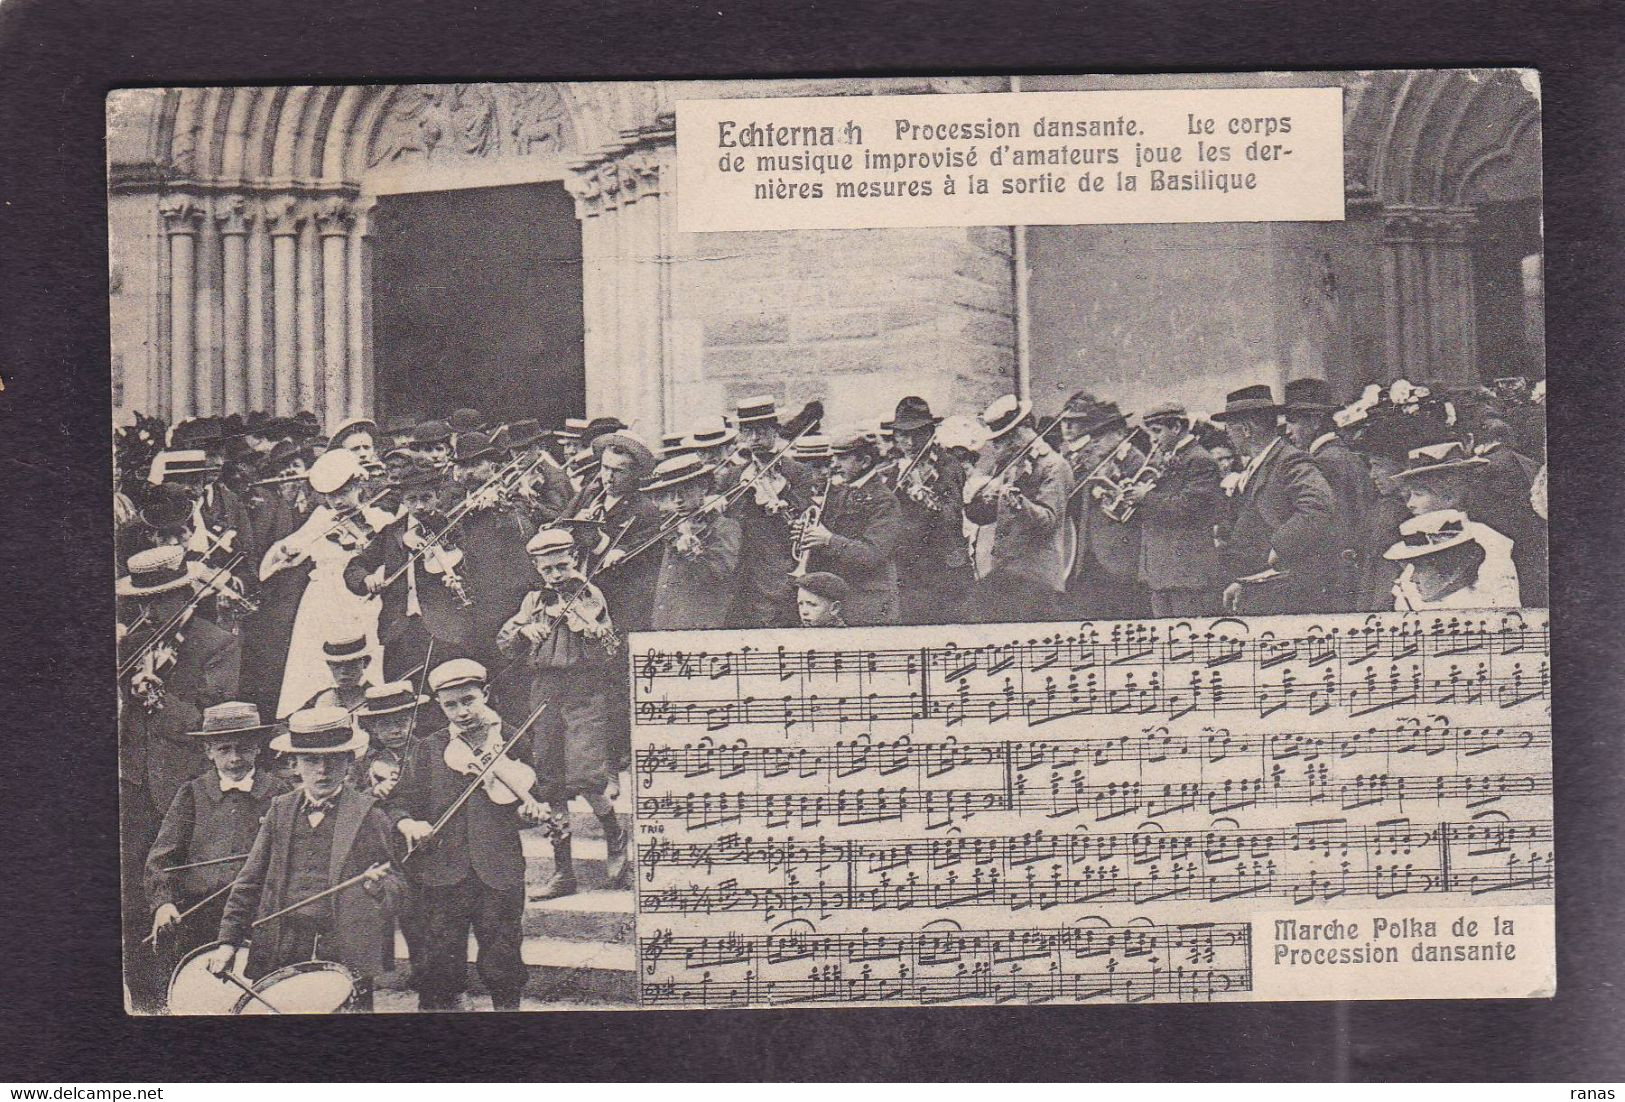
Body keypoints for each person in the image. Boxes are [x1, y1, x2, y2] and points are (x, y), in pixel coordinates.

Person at [203, 706, 405, 1012]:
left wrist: (378, 886)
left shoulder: (370, 814)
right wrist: (227, 943)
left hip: (344, 949)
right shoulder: (280, 810)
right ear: (294, 763)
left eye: (332, 759)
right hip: (283, 947)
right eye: (311, 760)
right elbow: (249, 880)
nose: (322, 770)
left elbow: (397, 883)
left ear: (349, 761)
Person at [387, 660, 554, 1011]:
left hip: (498, 869)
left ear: (486, 694)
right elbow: (399, 803)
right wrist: (410, 824)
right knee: (439, 962)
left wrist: (530, 812)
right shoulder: (430, 749)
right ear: (439, 705)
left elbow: (534, 793)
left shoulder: (512, 738)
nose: (461, 712)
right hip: (442, 873)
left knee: (504, 956)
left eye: (469, 700)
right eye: (451, 705)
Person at [496, 529, 627, 900]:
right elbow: (504, 643)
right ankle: (563, 869)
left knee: (586, 776)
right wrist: (525, 632)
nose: (556, 574)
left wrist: (587, 629)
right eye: (548, 568)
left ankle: (615, 834)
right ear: (537, 568)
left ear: (574, 558)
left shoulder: (590, 594)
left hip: (583, 690)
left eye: (562, 565)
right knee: (551, 779)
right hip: (544, 690)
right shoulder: (533, 600)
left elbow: (609, 646)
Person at [141, 703, 288, 1010]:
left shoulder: (280, 794)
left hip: (262, 917)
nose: (235, 758)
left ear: (258, 748)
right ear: (208, 751)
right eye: (224, 749)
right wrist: (163, 902)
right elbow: (162, 859)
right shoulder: (192, 794)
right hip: (201, 918)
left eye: (244, 748)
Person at [260, 448, 390, 718]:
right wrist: (288, 552)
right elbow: (291, 548)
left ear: (359, 486)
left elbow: (386, 560)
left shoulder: (381, 519)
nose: (338, 501)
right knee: (317, 674)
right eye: (331, 496)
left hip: (361, 601)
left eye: (344, 492)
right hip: (323, 602)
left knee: (365, 666)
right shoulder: (321, 519)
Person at [1212, 384, 1338, 615]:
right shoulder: (1259, 463)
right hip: (1256, 583)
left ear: (1246, 429)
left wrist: (1280, 547)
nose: (1227, 436)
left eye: (1230, 428)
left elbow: (1318, 506)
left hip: (1282, 587)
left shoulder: (1289, 460)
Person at [344, 462, 474, 679]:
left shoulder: (452, 527)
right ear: (403, 501)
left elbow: (471, 567)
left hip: (444, 630)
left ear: (437, 497)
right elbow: (355, 566)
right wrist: (366, 579)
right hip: (399, 630)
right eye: (412, 500)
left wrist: (459, 580)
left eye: (426, 498)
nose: (420, 507)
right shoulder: (391, 532)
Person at [964, 394, 1075, 610]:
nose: (996, 448)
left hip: (1036, 576)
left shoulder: (1054, 466)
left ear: (1020, 433)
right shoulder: (1012, 465)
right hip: (1005, 571)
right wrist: (981, 498)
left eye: (1000, 440)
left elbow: (1049, 519)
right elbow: (980, 516)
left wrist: (1018, 503)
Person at [1282, 377, 1376, 612]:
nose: (1287, 429)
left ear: (1314, 421)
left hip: (1335, 577)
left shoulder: (1324, 461)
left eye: (1292, 421)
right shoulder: (1343, 455)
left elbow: (1333, 527)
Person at [1389, 440, 1520, 605]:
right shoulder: (1413, 541)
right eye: (1409, 496)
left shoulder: (1488, 540)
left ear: (1450, 496)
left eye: (1419, 494)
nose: (1410, 504)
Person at [727, 396, 819, 628]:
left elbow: (803, 518)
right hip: (740, 575)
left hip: (778, 574)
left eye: (761, 431)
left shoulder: (798, 472)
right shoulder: (732, 476)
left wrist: (782, 501)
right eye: (748, 432)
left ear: (774, 430)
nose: (755, 439)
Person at [798, 429, 903, 625]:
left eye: (843, 458)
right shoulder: (840, 492)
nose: (834, 464)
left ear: (864, 461)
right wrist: (807, 535)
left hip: (869, 601)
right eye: (835, 457)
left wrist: (828, 540)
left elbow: (872, 553)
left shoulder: (884, 500)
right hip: (842, 599)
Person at [1132, 400, 1225, 617]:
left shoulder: (1200, 460)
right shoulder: (1172, 456)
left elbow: (1189, 508)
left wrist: (1146, 497)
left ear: (1176, 427)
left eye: (1157, 431)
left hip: (1185, 572)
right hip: (1163, 569)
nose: (1153, 439)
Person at [888, 396, 972, 625]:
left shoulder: (949, 467)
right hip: (908, 569)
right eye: (903, 435)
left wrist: (923, 497)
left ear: (931, 432)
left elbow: (952, 516)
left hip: (943, 568)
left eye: (917, 434)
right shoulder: (891, 472)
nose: (911, 442)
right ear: (895, 437)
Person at [1060, 397, 1147, 619]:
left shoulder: (1135, 461)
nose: (1094, 442)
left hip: (1121, 555)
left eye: (1100, 436)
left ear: (1119, 434)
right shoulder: (1097, 461)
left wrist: (1113, 480)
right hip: (1091, 551)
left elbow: (1134, 508)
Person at [646, 453, 742, 631]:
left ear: (704, 488)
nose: (677, 500)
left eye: (686, 490)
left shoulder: (724, 526)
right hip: (666, 621)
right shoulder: (671, 525)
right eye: (672, 493)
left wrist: (694, 554)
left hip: (701, 625)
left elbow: (720, 574)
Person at [1384, 508, 1520, 610]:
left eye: (1419, 568)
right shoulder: (1411, 602)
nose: (1411, 578)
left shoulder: (1490, 599)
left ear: (1449, 568)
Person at [300, 633, 378, 713]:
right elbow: (290, 722)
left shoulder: (377, 697)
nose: (343, 671)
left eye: (351, 664)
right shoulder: (321, 698)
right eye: (337, 665)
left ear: (365, 662)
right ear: (329, 665)